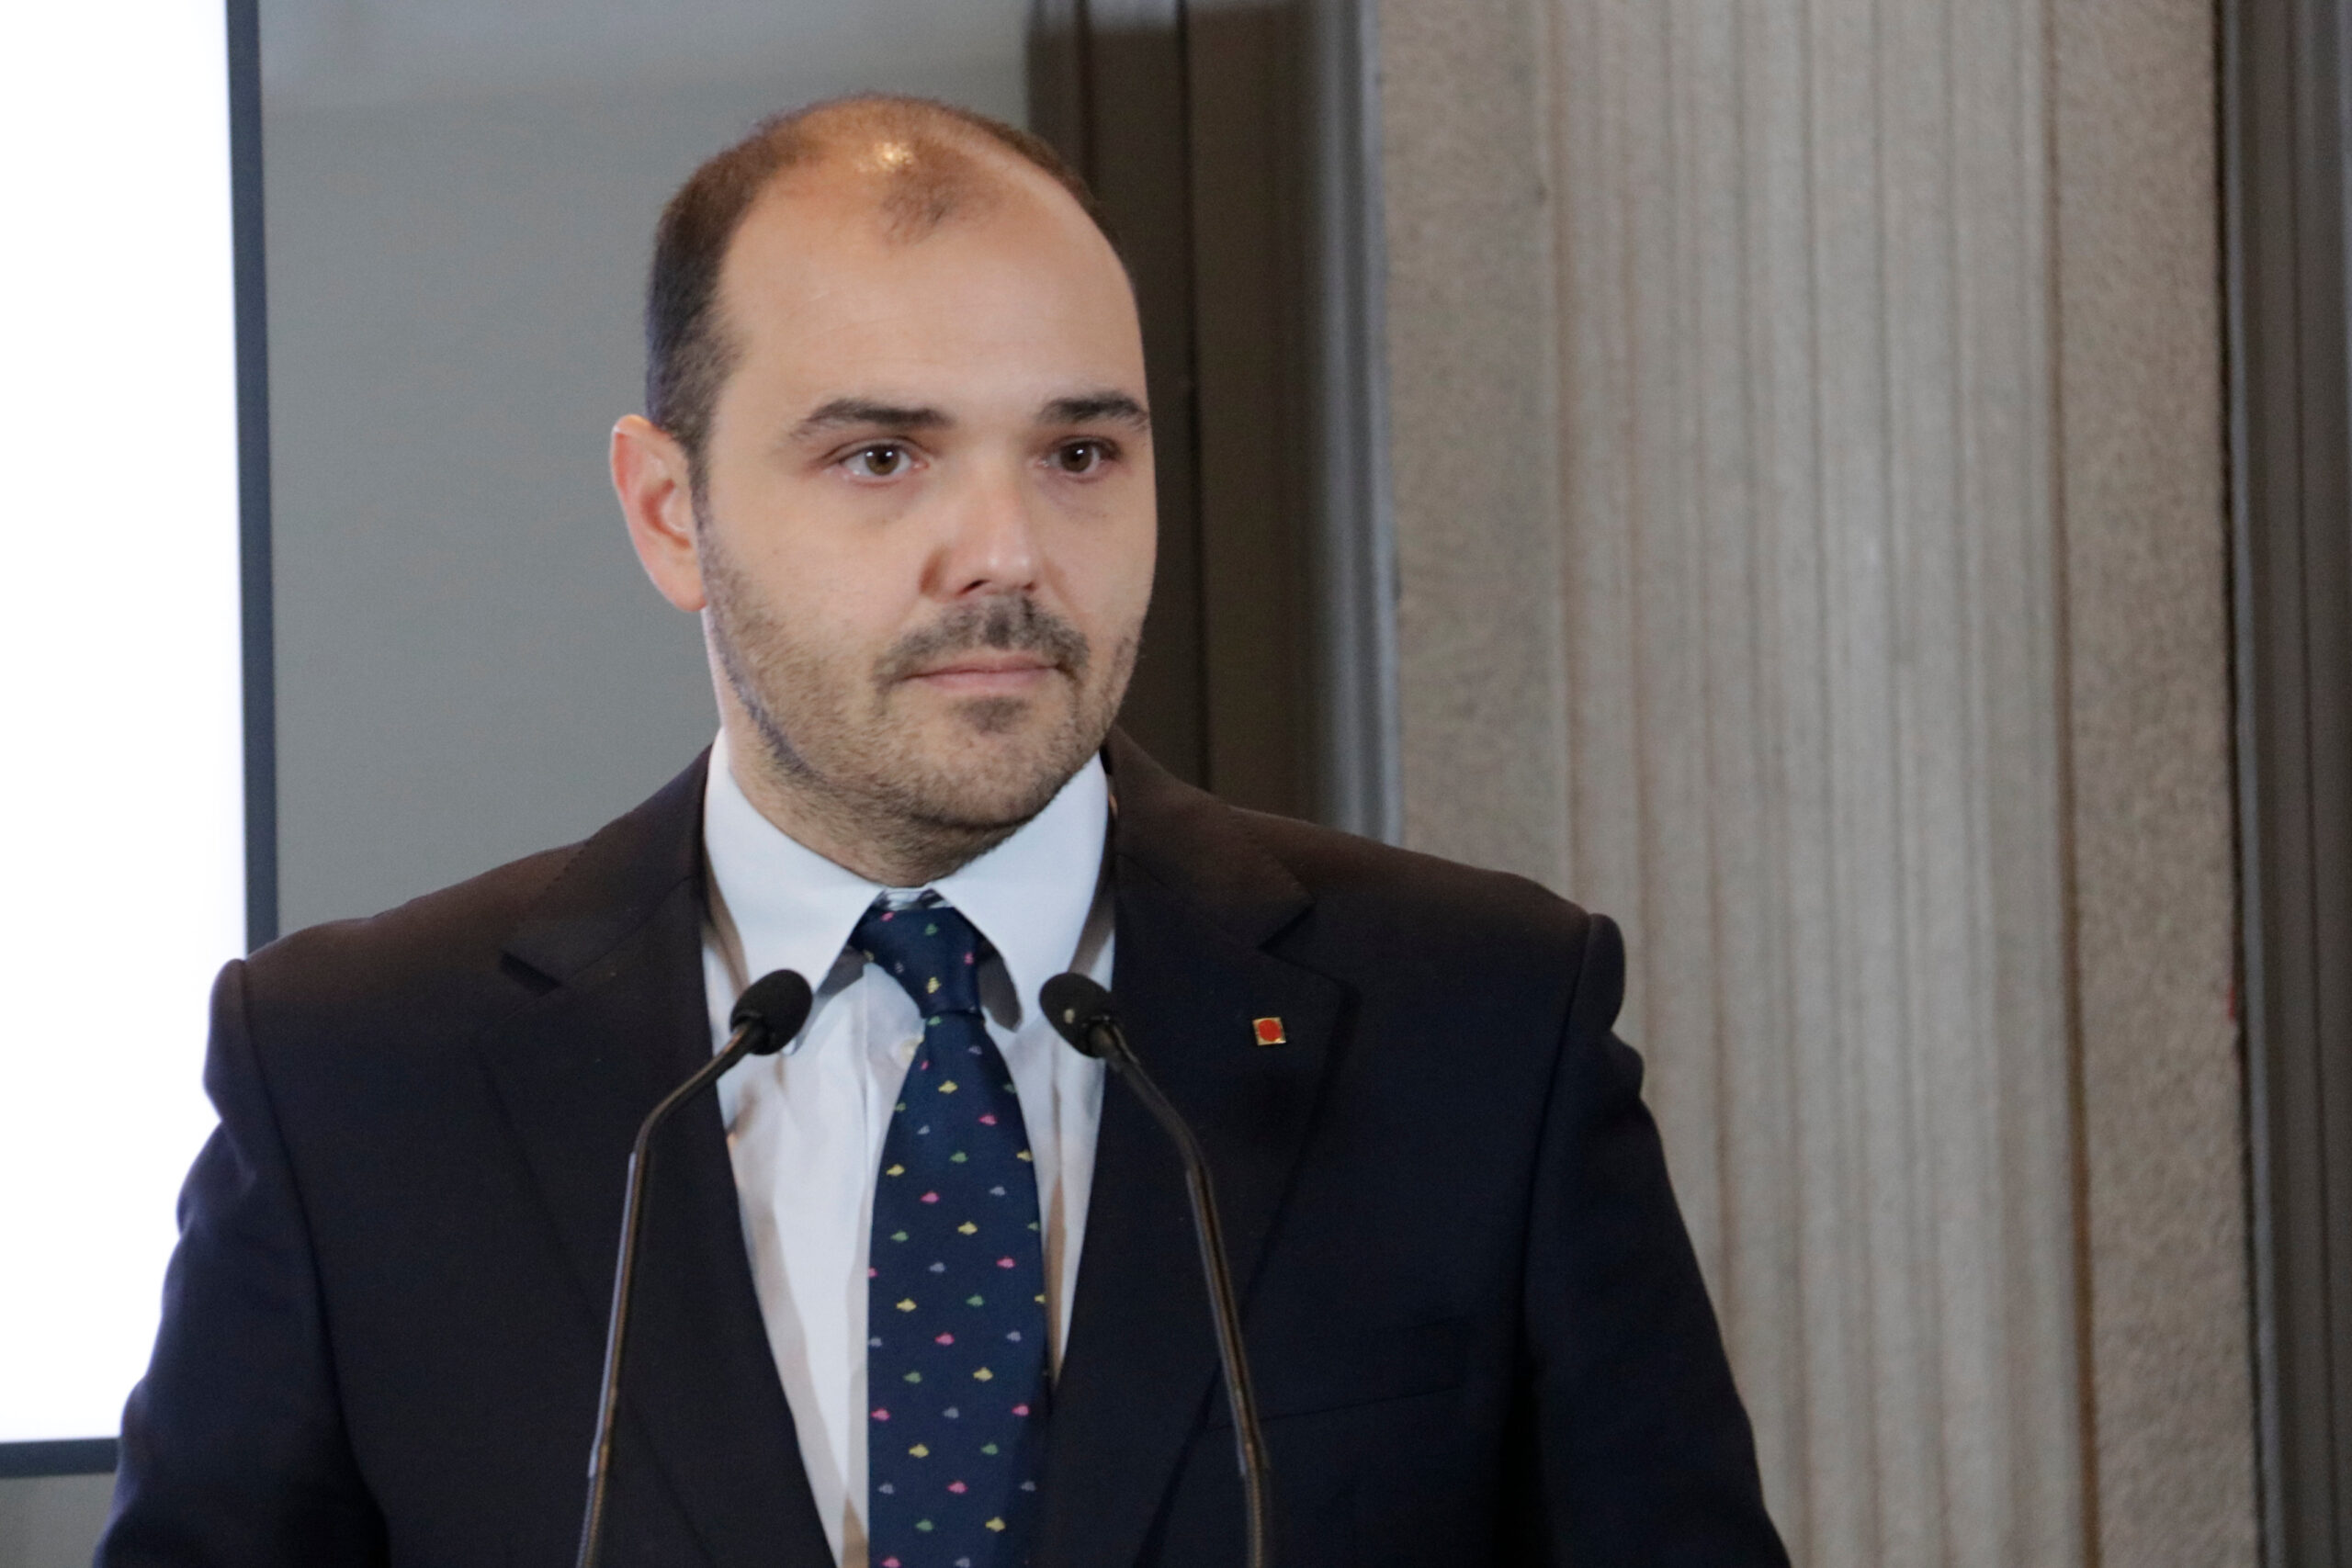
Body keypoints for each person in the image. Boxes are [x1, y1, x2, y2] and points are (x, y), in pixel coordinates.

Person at [99, 96, 1788, 1568]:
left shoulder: (1479, 1021)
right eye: (883, 456)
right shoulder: (359, 1079)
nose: (1007, 551)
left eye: (1079, 452)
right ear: (671, 512)